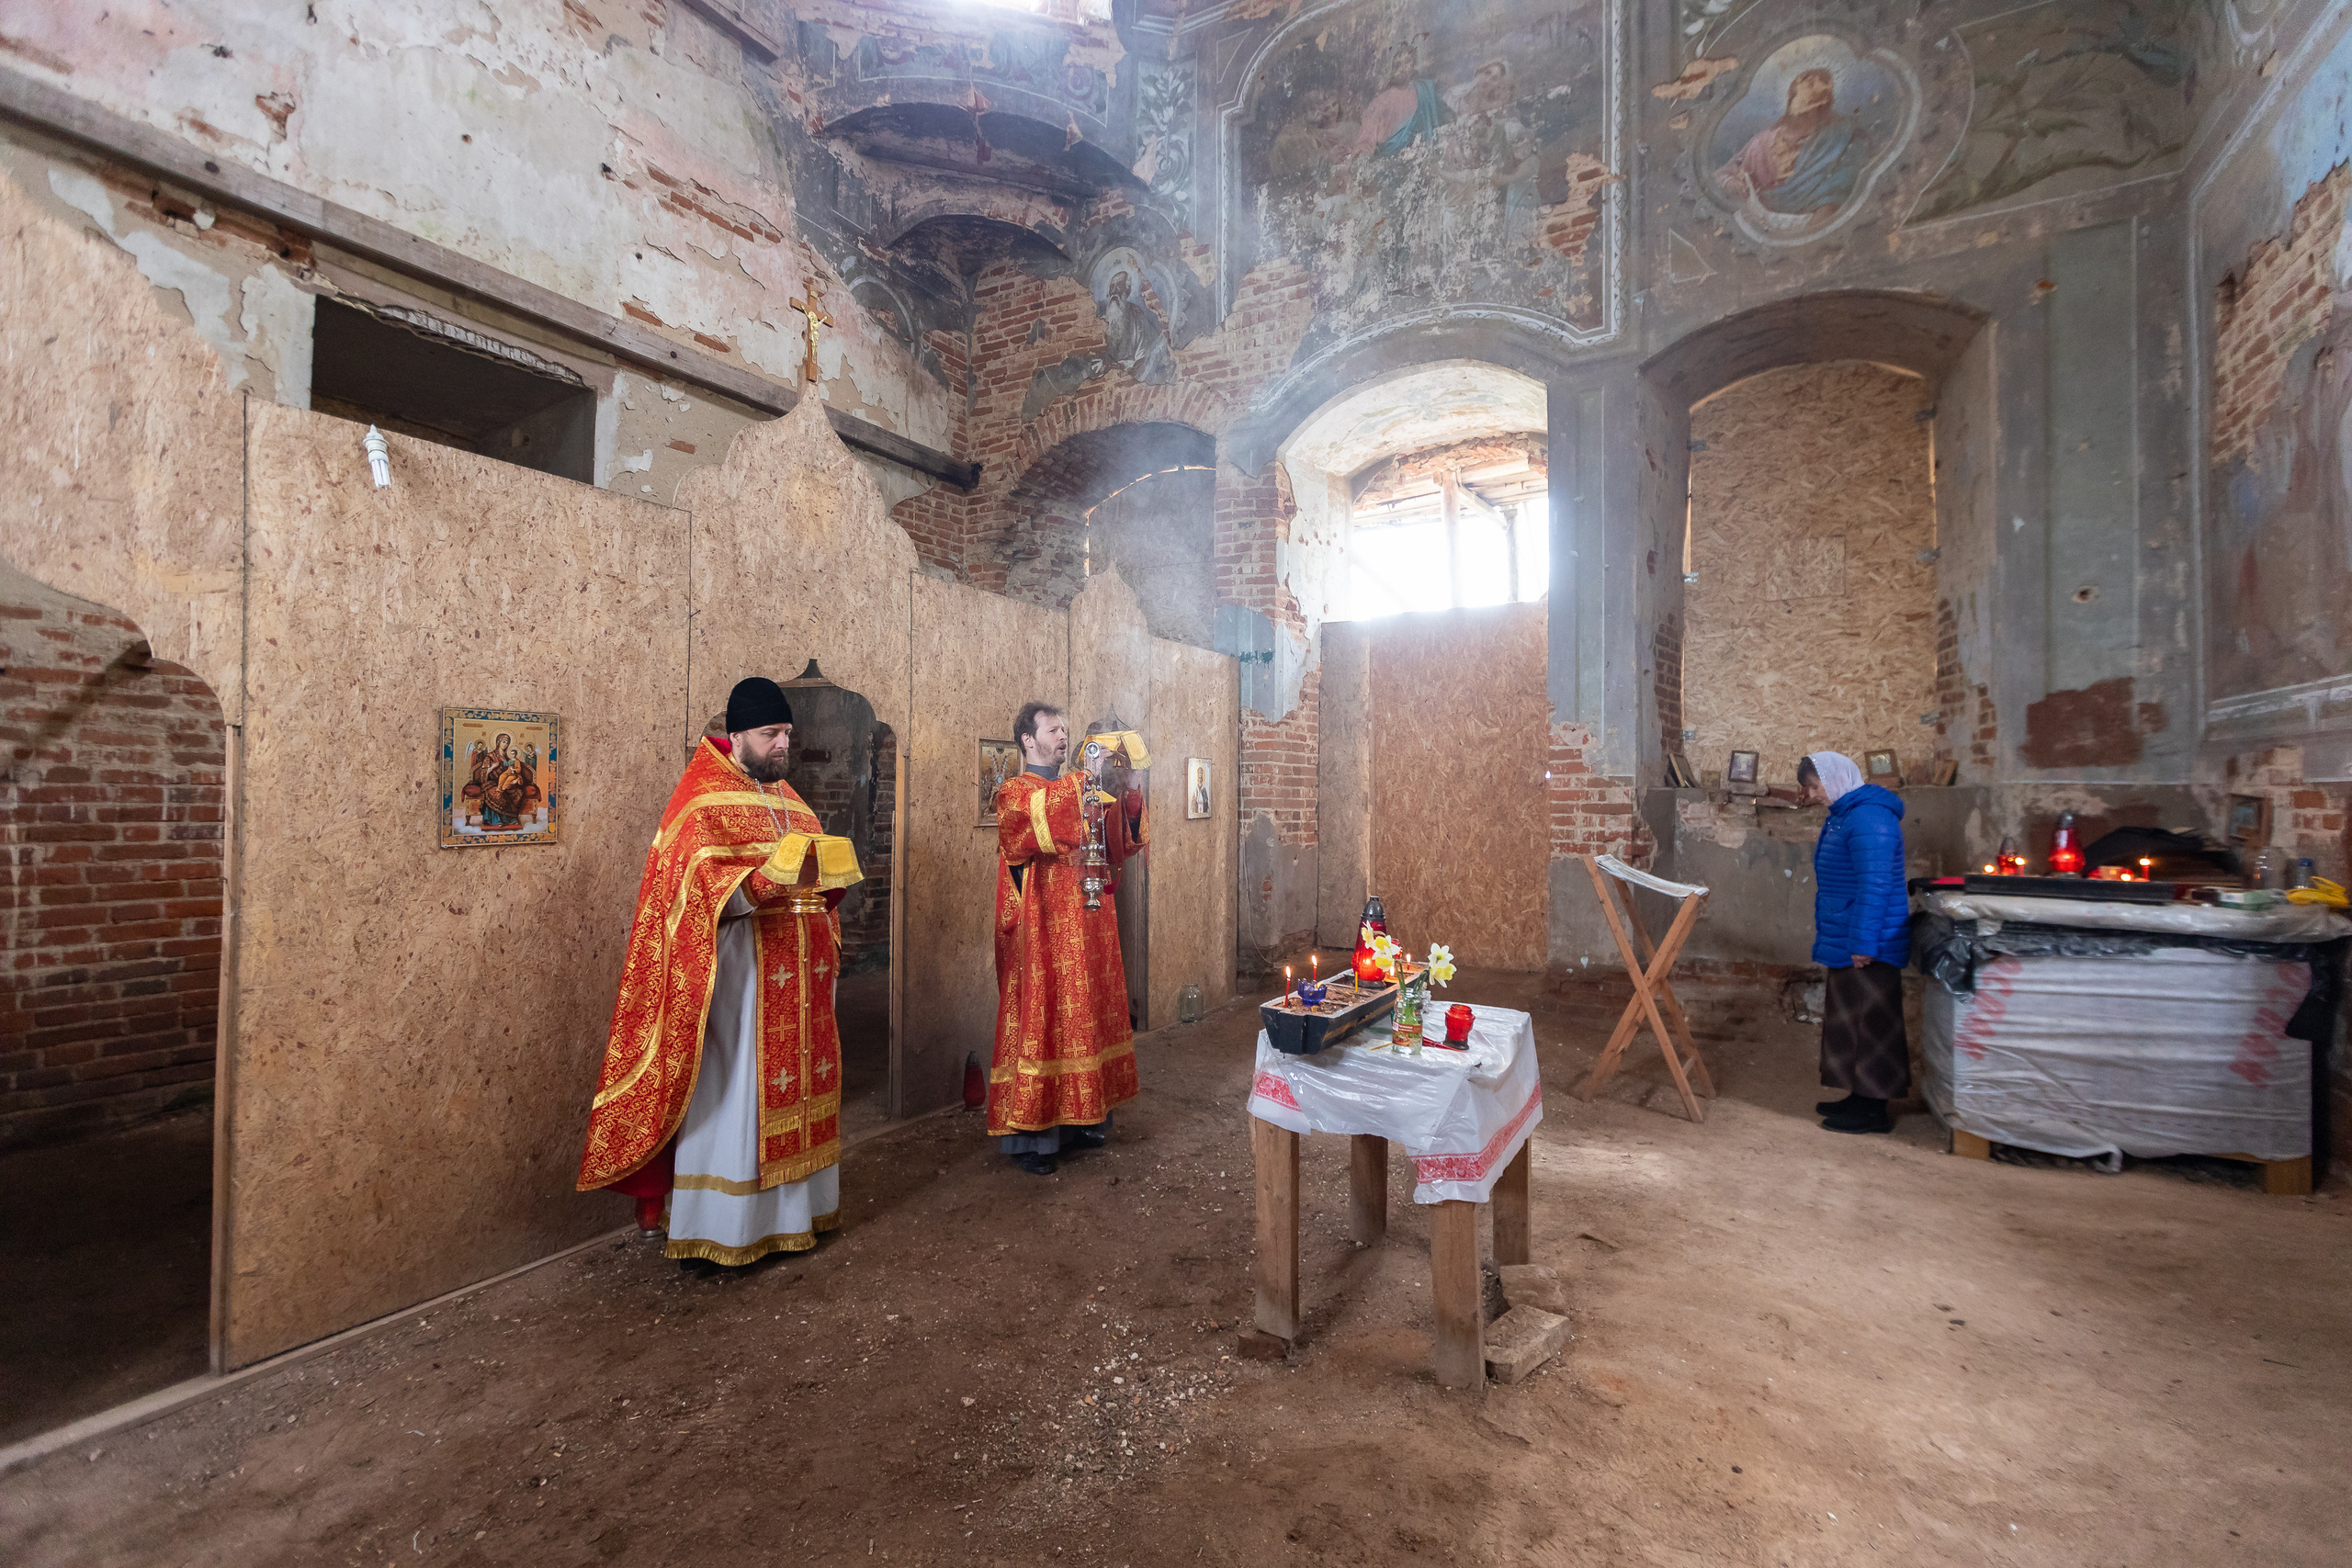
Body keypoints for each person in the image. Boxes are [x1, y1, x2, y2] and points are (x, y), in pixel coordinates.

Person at [576, 675, 864, 1266]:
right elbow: (690, 900)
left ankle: (797, 1216)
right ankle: (731, 1230)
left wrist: (824, 885)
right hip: (739, 984)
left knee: (793, 1095)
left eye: (786, 733)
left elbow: (809, 871)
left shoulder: (788, 799)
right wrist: (760, 884)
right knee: (739, 1098)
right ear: (736, 736)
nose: (783, 745)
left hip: (800, 980)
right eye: (770, 734)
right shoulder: (700, 802)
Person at [989, 702, 1148, 1175]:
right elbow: (1038, 823)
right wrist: (1088, 777)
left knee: (1087, 1020)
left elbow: (1118, 845)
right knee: (1046, 1020)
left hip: (1091, 928)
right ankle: (1035, 1140)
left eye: (1065, 729)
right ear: (1027, 740)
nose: (1062, 736)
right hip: (1043, 936)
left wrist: (1130, 790)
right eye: (1052, 730)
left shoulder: (1079, 788)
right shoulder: (1015, 792)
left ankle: (1083, 1123)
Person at [1798, 751, 1911, 1134]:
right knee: (1853, 1020)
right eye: (1810, 787)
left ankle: (1873, 1111)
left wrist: (1864, 943)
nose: (1812, 794)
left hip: (1870, 942)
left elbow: (1875, 885)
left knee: (1872, 1024)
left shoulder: (1869, 818)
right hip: (1850, 934)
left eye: (1815, 786)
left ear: (1837, 779)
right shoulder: (1846, 815)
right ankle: (1859, 1098)